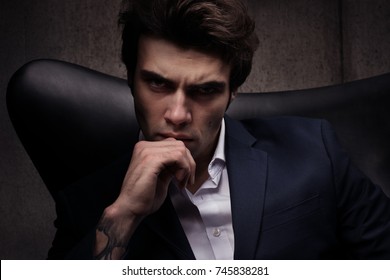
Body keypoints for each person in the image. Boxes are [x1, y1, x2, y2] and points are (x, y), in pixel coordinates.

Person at [48, 0, 390, 260]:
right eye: (157, 83)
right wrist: (123, 215)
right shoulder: (85, 206)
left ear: (233, 91)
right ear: (130, 79)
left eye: (205, 90)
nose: (178, 114)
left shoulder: (315, 150)